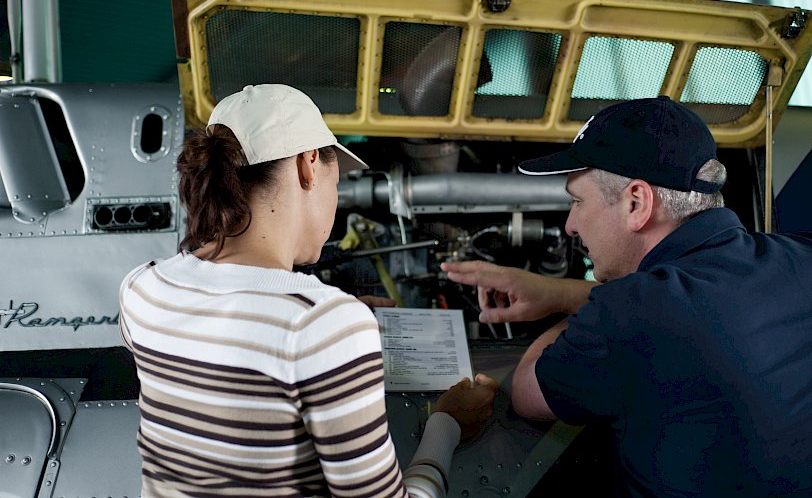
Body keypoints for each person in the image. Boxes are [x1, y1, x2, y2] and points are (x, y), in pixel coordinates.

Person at [119, 84, 498, 498]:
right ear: (308, 165)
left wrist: (330, 322)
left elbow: (229, 339)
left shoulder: (142, 287)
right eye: (336, 185)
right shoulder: (323, 324)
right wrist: (448, 425)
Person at [442, 96, 812, 497]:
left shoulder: (627, 313)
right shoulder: (801, 256)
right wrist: (561, 292)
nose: (570, 225)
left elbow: (527, 392)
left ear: (637, 203)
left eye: (577, 201)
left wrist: (581, 304)